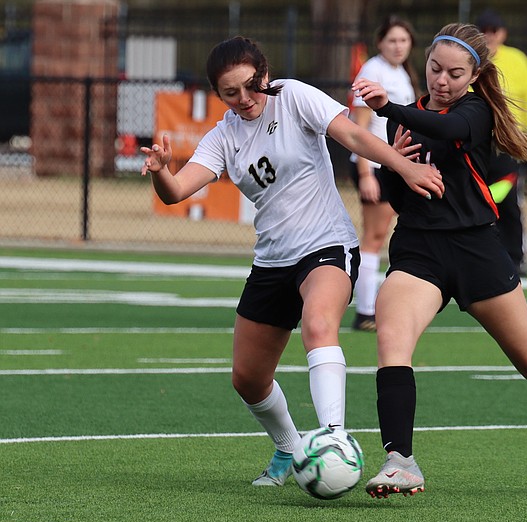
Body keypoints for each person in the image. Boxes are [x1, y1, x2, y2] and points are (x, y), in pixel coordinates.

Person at [352, 23, 527, 499]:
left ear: (474, 76)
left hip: (477, 251)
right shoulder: (405, 117)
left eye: (454, 73)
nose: (442, 80)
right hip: (420, 248)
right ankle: (400, 460)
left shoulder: (475, 111)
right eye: (434, 69)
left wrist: (387, 108)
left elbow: (447, 128)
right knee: (391, 340)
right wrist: (394, 166)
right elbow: (398, 199)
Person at [140, 36, 443, 488]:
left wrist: (404, 167)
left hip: (326, 245)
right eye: (230, 92)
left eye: (249, 86)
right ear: (217, 94)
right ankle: (287, 446)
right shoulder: (223, 136)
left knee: (319, 325)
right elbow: (177, 191)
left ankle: (335, 440)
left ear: (264, 74)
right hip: (272, 259)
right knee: (247, 378)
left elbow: (354, 135)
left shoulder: (295, 97)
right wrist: (162, 170)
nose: (243, 99)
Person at [349, 15, 420, 332]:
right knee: (374, 238)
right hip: (375, 165)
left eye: (403, 41)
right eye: (392, 40)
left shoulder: (401, 73)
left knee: (387, 236)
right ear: (380, 43)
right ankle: (365, 312)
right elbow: (358, 126)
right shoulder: (373, 70)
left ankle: (378, 307)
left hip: (392, 165)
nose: (398, 46)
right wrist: (365, 173)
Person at [475, 9, 527, 276]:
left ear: (502, 33)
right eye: (484, 31)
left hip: (507, 144)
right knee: (475, 200)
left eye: (494, 31)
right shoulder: (471, 58)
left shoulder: (517, 60)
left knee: (507, 202)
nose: (490, 36)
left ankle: (515, 258)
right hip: (476, 144)